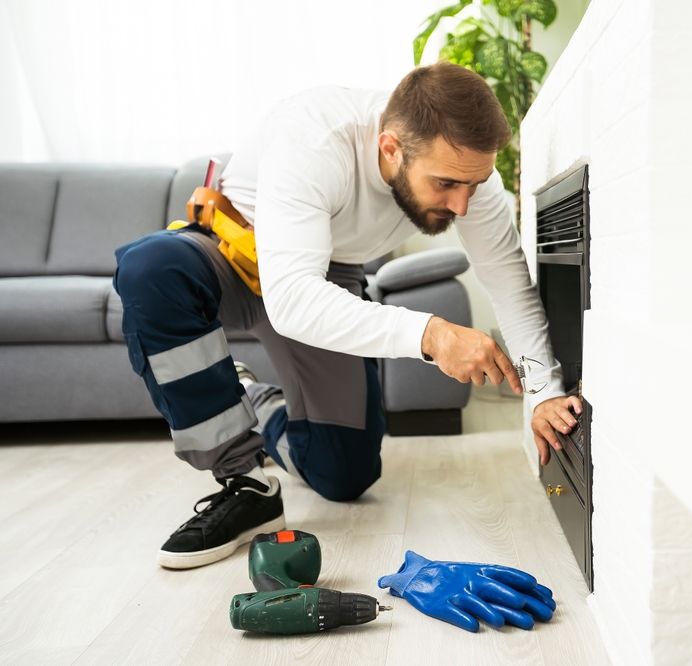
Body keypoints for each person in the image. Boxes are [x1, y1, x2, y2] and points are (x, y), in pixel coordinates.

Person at [113, 61, 583, 569]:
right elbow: (291, 298)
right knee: (150, 268)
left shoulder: (467, 174)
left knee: (344, 476)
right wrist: (431, 334)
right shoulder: (315, 139)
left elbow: (510, 283)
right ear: (390, 148)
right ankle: (244, 480)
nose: (462, 206)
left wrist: (542, 393)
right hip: (233, 252)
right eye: (445, 184)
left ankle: (249, 394)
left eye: (474, 184)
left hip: (326, 278)